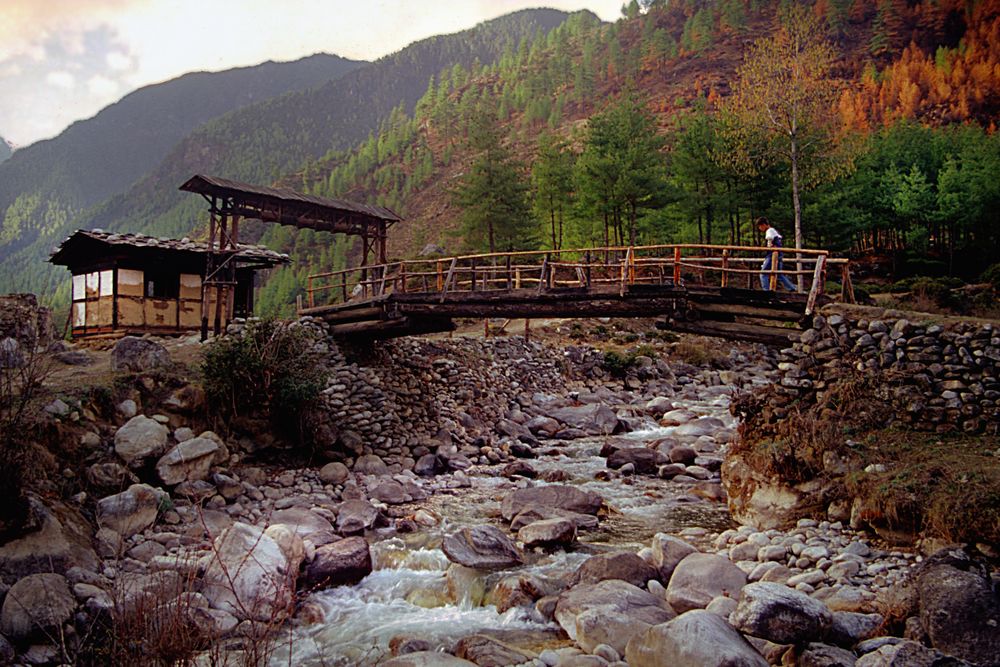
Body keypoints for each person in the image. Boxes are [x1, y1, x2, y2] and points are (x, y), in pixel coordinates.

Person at [756, 217, 796, 291]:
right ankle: (791, 288)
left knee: (763, 273)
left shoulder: (769, 231)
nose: (760, 228)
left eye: (760, 226)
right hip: (779, 254)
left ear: (764, 225)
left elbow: (769, 239)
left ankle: (766, 291)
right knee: (779, 274)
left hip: (772, 255)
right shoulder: (774, 231)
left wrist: (769, 246)